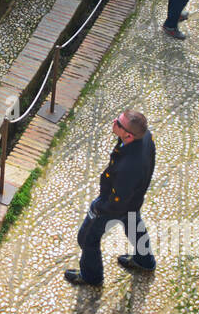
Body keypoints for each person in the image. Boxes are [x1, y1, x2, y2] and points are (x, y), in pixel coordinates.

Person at [66, 110, 157, 287]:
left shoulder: (128, 167)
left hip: (117, 204)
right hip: (134, 199)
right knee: (134, 226)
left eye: (119, 123)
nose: (114, 121)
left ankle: (92, 277)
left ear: (128, 135)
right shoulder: (145, 136)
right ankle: (145, 261)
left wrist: (99, 208)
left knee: (86, 237)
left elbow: (117, 201)